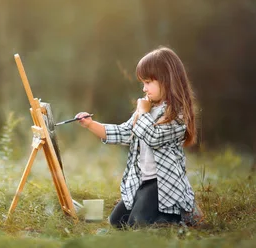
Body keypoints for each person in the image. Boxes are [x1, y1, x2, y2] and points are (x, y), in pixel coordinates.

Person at [75, 46, 200, 229]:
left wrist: (142, 112)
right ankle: (154, 212)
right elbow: (124, 132)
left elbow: (154, 137)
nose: (144, 88)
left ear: (166, 80)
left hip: (162, 184)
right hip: (143, 181)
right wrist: (91, 124)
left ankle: (178, 219)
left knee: (137, 224)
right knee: (116, 221)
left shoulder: (177, 114)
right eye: (143, 82)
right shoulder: (148, 109)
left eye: (148, 82)